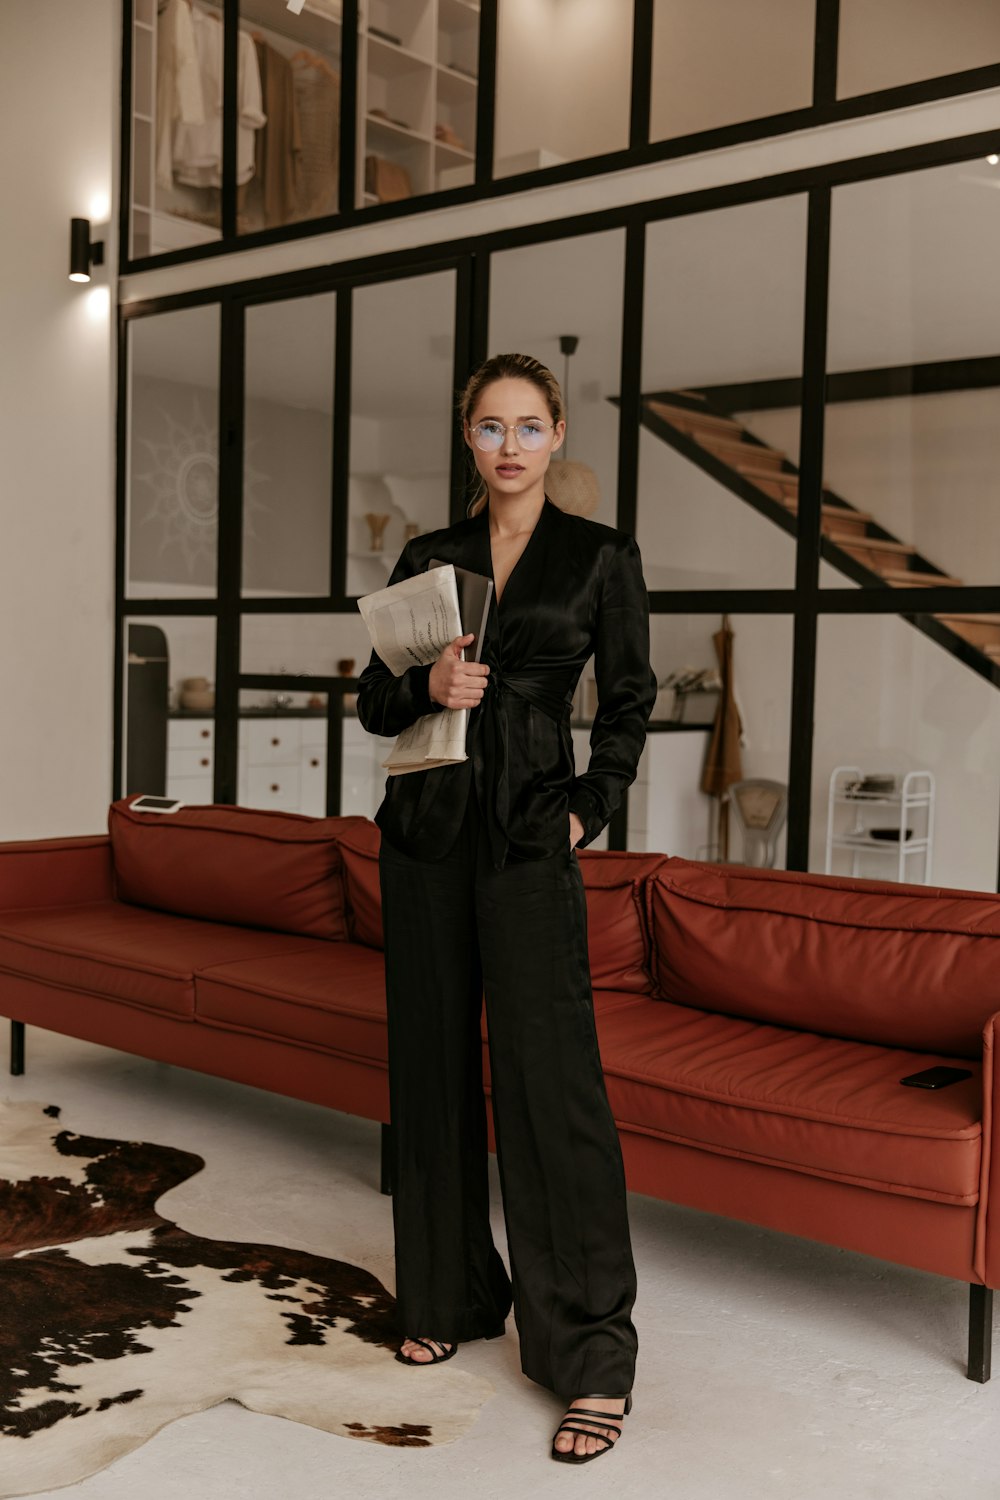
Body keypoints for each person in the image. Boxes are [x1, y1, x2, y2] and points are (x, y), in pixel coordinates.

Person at [355, 352, 658, 1464]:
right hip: (427, 835)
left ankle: (591, 1356)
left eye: (529, 426)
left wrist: (588, 811)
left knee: (550, 1085)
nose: (512, 445)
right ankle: (445, 1296)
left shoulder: (600, 557)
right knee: (429, 1070)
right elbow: (374, 697)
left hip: (532, 834)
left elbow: (628, 699)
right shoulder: (429, 556)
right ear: (468, 440)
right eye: (491, 427)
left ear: (558, 435)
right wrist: (425, 686)